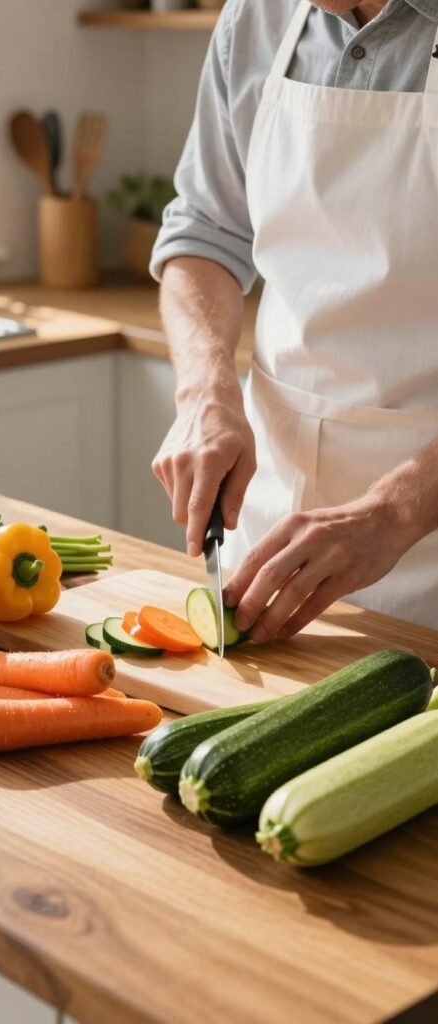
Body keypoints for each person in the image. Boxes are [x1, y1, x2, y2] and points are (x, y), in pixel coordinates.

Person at [150, 0, 438, 638]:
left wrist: (392, 513)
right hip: (271, 522)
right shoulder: (254, 20)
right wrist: (204, 390)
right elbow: (204, 232)